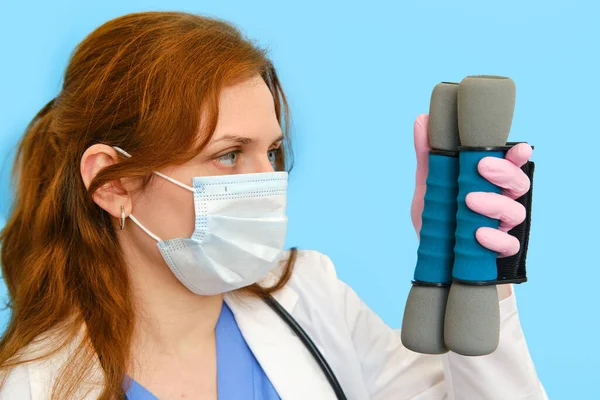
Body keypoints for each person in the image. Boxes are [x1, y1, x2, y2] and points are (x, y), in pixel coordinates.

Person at [0, 11, 547, 400]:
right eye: (229, 155)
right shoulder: (32, 385)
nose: (268, 183)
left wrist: (474, 270)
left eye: (273, 151)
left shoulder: (307, 293)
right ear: (111, 183)